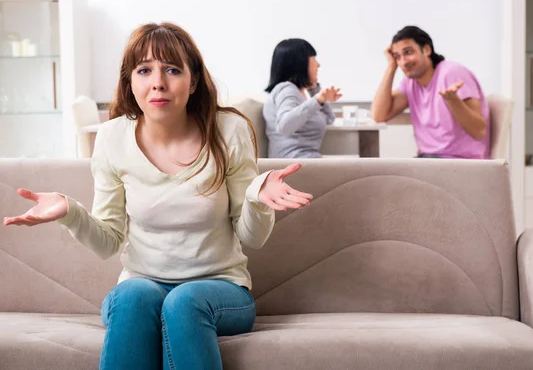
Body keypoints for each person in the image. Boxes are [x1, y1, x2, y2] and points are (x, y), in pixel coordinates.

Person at [3, 22, 313, 370]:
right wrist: (69, 212)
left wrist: (257, 196)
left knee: (183, 301)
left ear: (193, 81)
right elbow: (109, 242)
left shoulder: (229, 130)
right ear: (130, 81)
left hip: (221, 291)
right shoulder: (111, 138)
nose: (158, 83)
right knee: (135, 295)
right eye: (144, 70)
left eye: (172, 69)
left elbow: (250, 237)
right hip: (141, 286)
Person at [371, 26, 490, 159]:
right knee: (386, 175)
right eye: (398, 57)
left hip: (460, 162)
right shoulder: (410, 82)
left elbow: (479, 132)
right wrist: (391, 67)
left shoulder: (452, 73)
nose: (403, 62)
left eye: (408, 52)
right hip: (428, 161)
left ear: (426, 50)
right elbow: (379, 115)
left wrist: (453, 101)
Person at [263, 38, 342, 158]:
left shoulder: (299, 93)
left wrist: (315, 92)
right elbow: (284, 126)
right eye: (314, 59)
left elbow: (329, 118)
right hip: (293, 164)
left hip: (306, 161)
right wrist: (317, 100)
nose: (318, 65)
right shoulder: (287, 90)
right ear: (300, 63)